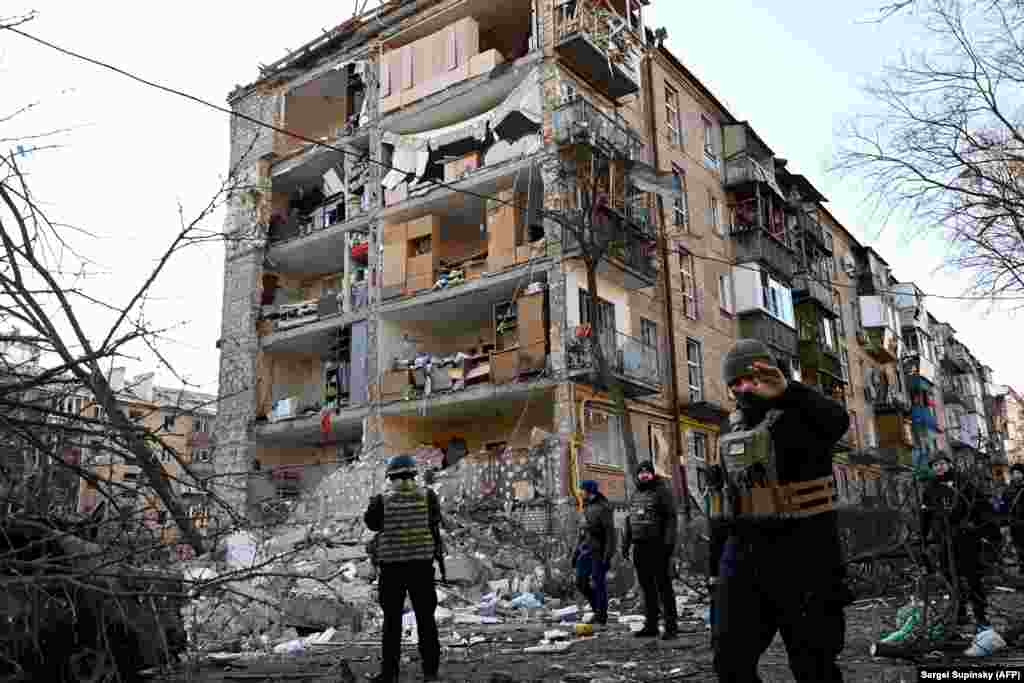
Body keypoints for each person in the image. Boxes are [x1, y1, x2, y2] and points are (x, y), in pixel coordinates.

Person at [707, 339, 851, 683]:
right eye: (735, 383)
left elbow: (838, 422)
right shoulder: (733, 427)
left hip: (806, 555)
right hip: (743, 555)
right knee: (730, 660)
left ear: (770, 374)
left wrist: (790, 392)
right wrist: (716, 568)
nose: (744, 388)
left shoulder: (804, 411)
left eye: (751, 378)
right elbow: (723, 501)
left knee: (814, 666)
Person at [364, 454, 443, 683]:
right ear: (413, 475)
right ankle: (430, 672)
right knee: (426, 620)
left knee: (391, 622)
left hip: (392, 570)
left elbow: (371, 523)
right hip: (421, 567)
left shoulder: (381, 500)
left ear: (390, 477)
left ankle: (390, 674)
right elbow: (434, 522)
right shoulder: (429, 497)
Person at [921, 455, 996, 631]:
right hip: (945, 540)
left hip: (966, 539)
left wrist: (979, 528)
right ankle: (959, 614)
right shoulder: (930, 489)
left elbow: (982, 507)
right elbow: (925, 515)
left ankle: (981, 616)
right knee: (950, 577)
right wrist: (924, 537)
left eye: (941, 464)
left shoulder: (963, 483)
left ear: (949, 464)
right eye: (935, 465)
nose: (939, 467)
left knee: (973, 577)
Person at [622, 460, 678, 639]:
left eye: (647, 472)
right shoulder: (635, 494)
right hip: (640, 546)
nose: (644, 474)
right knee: (647, 588)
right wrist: (625, 544)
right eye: (641, 472)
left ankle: (671, 627)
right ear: (637, 475)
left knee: (664, 586)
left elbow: (671, 518)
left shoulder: (662, 492)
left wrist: (668, 545)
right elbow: (629, 521)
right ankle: (651, 625)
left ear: (652, 474)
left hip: (658, 545)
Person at [572, 480, 616, 625]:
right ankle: (597, 609)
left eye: (582, 490)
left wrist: (608, 556)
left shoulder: (603, 507)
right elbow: (581, 532)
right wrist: (575, 553)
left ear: (590, 491)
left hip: (598, 552)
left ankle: (601, 616)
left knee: (599, 584)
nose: (580, 492)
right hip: (585, 550)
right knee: (580, 582)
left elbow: (610, 534)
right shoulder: (585, 506)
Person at [1002, 464, 1024, 566]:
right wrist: (1004, 524)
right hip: (1015, 524)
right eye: (1014, 473)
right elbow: (1004, 509)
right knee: (1019, 547)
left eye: (1019, 473)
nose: (1016, 475)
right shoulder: (1007, 491)